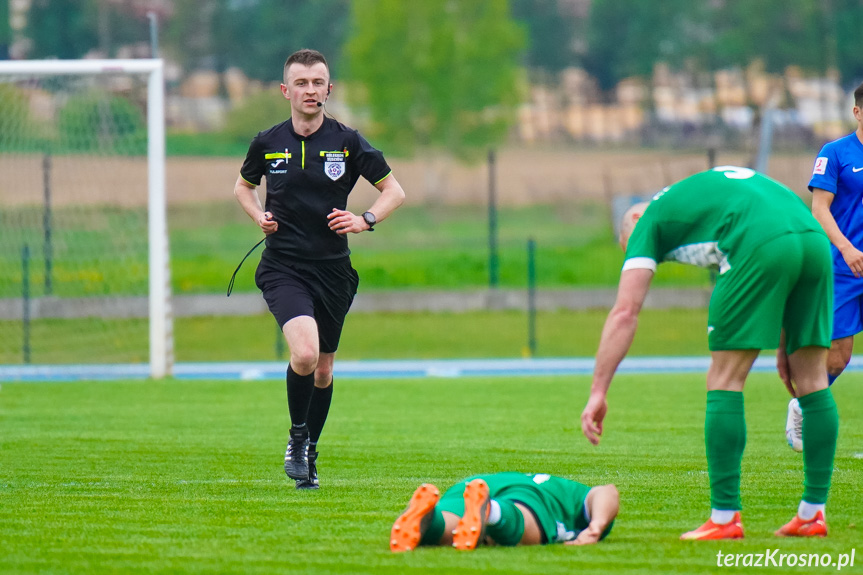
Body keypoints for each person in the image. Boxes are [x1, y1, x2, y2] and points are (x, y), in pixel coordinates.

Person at [580, 166, 838, 540]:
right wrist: (786, 341)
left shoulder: (647, 218)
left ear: (634, 218)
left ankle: (724, 518)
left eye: (630, 246)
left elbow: (624, 313)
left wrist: (598, 392)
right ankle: (813, 513)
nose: (644, 254)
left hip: (757, 239)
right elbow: (778, 230)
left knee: (724, 378)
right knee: (813, 380)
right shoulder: (696, 195)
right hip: (812, 238)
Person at [233, 49, 405, 489]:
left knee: (324, 368)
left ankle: (310, 451)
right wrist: (258, 217)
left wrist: (365, 220)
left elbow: (394, 192)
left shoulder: (347, 141)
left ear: (330, 89)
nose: (311, 91)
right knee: (305, 354)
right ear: (285, 90)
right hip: (283, 266)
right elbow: (243, 187)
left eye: (319, 83)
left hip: (333, 271)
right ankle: (296, 439)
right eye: (302, 83)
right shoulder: (267, 142)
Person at [785, 81, 863, 452]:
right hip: (844, 267)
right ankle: (802, 406)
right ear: (857, 112)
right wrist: (847, 249)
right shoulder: (835, 153)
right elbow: (819, 210)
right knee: (838, 355)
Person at [389, 472, 618, 552]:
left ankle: (429, 518)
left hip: (468, 486)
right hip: (533, 496)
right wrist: (596, 527)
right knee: (528, 527)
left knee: (449, 530)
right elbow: (608, 491)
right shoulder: (572, 497)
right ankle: (492, 511)